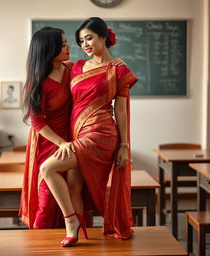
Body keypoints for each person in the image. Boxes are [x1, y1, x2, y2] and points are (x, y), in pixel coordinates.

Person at [39, 17, 138, 247]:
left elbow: (121, 110)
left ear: (104, 36)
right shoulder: (76, 67)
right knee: (75, 185)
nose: (84, 44)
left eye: (89, 38)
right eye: (81, 40)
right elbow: (48, 64)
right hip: (77, 133)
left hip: (101, 134)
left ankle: (70, 223)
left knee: (48, 168)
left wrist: (124, 146)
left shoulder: (119, 70)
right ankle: (77, 234)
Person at [19, 26, 123, 230]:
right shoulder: (37, 81)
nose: (69, 47)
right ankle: (42, 247)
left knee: (77, 189)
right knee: (48, 199)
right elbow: (37, 122)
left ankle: (77, 236)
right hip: (49, 141)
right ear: (50, 48)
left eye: (67, 42)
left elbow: (99, 76)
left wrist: (117, 64)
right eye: (63, 43)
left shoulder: (73, 69)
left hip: (76, 138)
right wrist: (61, 143)